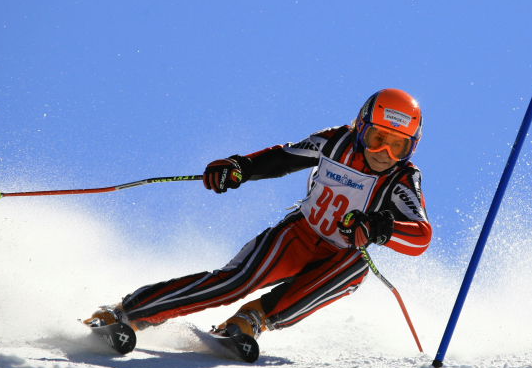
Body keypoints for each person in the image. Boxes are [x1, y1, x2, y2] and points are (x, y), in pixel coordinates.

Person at [84, 88, 431, 343]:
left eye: (397, 145)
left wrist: (379, 227)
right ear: (360, 128)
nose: (384, 153)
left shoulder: (402, 179)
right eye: (376, 139)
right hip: (300, 234)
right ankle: (126, 313)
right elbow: (283, 158)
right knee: (235, 281)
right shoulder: (335, 143)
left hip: (341, 255)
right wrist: (239, 168)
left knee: (356, 265)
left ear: (410, 148)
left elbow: (420, 237)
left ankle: (253, 319)